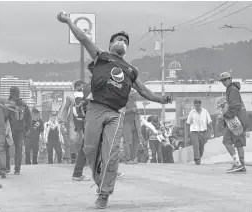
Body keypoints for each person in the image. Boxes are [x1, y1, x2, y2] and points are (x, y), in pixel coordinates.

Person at [57, 11, 171, 209]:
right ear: (111, 44)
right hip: (95, 109)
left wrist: (161, 99)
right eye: (119, 39)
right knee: (90, 149)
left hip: (115, 113)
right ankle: (100, 179)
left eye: (125, 40)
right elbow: (83, 38)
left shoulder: (131, 70)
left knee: (111, 152)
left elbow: (143, 90)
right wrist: (68, 21)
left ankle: (104, 193)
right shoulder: (101, 56)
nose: (122, 42)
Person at [59, 80, 90, 181]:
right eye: (82, 86)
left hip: (85, 121)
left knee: (83, 141)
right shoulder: (71, 97)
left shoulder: (85, 96)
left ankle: (81, 162)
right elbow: (65, 109)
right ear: (77, 87)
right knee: (76, 140)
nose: (83, 88)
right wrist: (62, 121)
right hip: (74, 121)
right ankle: (78, 160)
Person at [218, 72, 249, 173]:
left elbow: (234, 106)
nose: (224, 82)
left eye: (225, 79)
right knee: (238, 143)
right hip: (237, 120)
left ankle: (238, 164)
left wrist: (224, 116)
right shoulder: (232, 89)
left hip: (235, 121)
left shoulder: (232, 90)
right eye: (222, 80)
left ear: (230, 79)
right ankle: (241, 166)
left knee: (226, 141)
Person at [5, 86, 32, 175]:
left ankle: (7, 167)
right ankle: (17, 169)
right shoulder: (23, 104)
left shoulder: (8, 104)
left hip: (10, 130)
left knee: (6, 148)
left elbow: (4, 117)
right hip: (19, 130)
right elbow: (29, 117)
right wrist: (27, 128)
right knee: (18, 149)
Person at [186, 100, 214, 165]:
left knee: (201, 146)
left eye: (198, 105)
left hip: (203, 132)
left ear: (200, 105)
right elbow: (188, 123)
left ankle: (199, 157)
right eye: (195, 105)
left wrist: (211, 131)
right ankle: (197, 159)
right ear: (194, 105)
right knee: (196, 145)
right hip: (194, 132)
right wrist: (188, 134)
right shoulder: (192, 113)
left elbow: (209, 122)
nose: (197, 107)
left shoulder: (205, 112)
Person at [122, 90, 142, 164]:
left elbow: (135, 110)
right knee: (127, 142)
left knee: (136, 141)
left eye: (134, 93)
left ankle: (133, 158)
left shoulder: (133, 101)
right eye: (132, 92)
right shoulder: (123, 101)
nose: (134, 94)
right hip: (126, 123)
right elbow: (121, 112)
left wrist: (137, 112)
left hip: (135, 123)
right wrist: (131, 110)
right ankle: (127, 159)